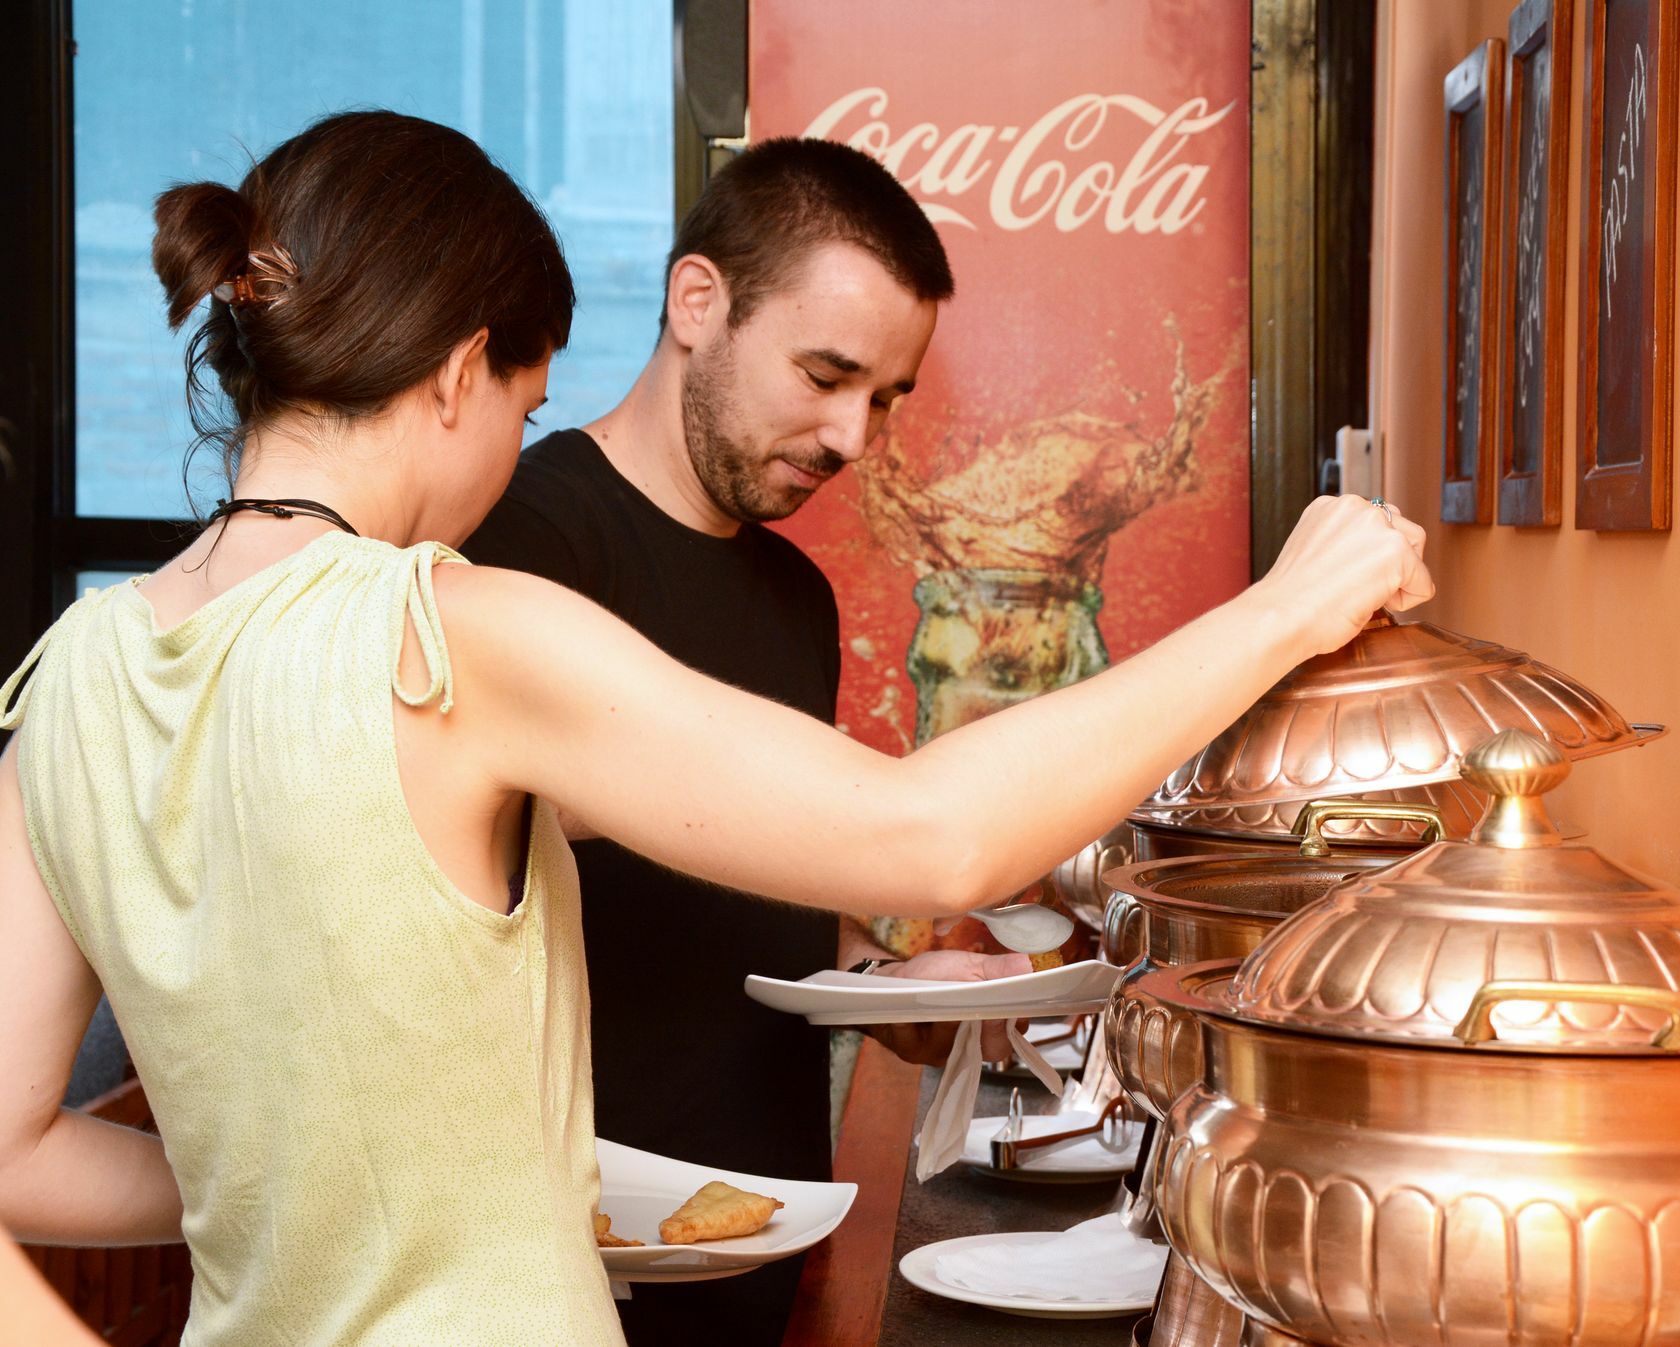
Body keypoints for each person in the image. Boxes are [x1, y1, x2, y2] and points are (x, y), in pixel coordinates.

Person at [0, 110, 1431, 1346]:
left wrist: (265, 1191)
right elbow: (931, 832)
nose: (512, 451)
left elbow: (18, 1155)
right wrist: (1284, 613)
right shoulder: (448, 630)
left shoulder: (63, 674)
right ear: (456, 373)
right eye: (524, 402)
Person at [459, 136, 1003, 1345]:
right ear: (695, 301)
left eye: (884, 399)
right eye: (825, 373)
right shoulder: (517, 544)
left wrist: (881, 987)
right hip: (558, 1266)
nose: (852, 437)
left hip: (760, 1246)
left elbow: (778, 908)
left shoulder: (795, 596)